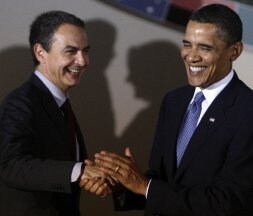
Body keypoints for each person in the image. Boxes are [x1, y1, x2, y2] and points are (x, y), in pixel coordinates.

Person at [82, 4, 253, 216]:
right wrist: (123, 183)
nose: (191, 56)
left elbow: (231, 202)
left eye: (205, 48)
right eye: (187, 45)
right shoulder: (174, 101)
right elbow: (163, 181)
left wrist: (145, 186)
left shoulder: (247, 111)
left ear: (234, 52)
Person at [0, 11, 111, 216]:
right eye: (71, 51)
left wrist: (88, 176)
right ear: (40, 52)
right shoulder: (20, 103)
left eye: (85, 51)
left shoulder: (60, 105)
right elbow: (10, 165)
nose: (83, 60)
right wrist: (78, 172)